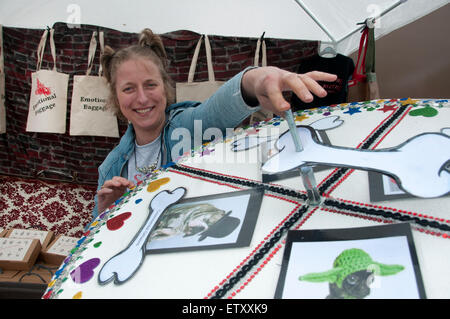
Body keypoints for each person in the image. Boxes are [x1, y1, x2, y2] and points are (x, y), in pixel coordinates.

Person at [93, 29, 337, 218]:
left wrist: (258, 80)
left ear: (165, 87)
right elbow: (96, 235)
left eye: (150, 84)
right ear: (116, 97)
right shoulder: (111, 167)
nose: (142, 98)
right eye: (128, 89)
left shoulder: (187, 126)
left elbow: (216, 111)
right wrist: (106, 211)